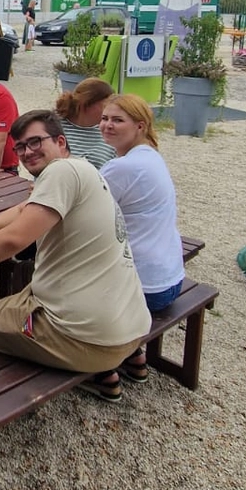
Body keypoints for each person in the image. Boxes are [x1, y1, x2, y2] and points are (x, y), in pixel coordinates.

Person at [0, 109, 150, 402]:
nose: (27, 152)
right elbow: (25, 208)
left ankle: (33, 380)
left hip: (88, 339)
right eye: (20, 147)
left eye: (36, 142)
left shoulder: (60, 172)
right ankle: (95, 365)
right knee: (21, 295)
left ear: (61, 142)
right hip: (130, 326)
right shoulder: (82, 169)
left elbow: (13, 241)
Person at [99, 94, 185, 382]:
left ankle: (101, 366)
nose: (107, 125)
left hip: (145, 288)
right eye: (105, 118)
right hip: (170, 277)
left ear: (140, 126)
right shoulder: (150, 156)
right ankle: (134, 355)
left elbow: (79, 212)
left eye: (117, 120)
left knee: (62, 276)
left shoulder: (123, 167)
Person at [54, 77, 115, 168]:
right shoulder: (53, 126)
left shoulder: (110, 132)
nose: (109, 110)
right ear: (86, 103)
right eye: (105, 105)